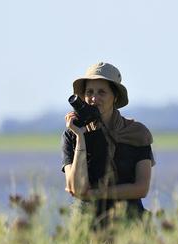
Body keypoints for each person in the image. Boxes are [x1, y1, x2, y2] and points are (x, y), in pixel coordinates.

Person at [61, 62, 155, 228]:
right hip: (87, 224)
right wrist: (81, 137)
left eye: (102, 92)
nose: (94, 98)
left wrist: (97, 193)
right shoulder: (72, 133)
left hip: (129, 222)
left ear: (115, 97)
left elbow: (141, 188)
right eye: (89, 92)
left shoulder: (136, 133)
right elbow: (75, 187)